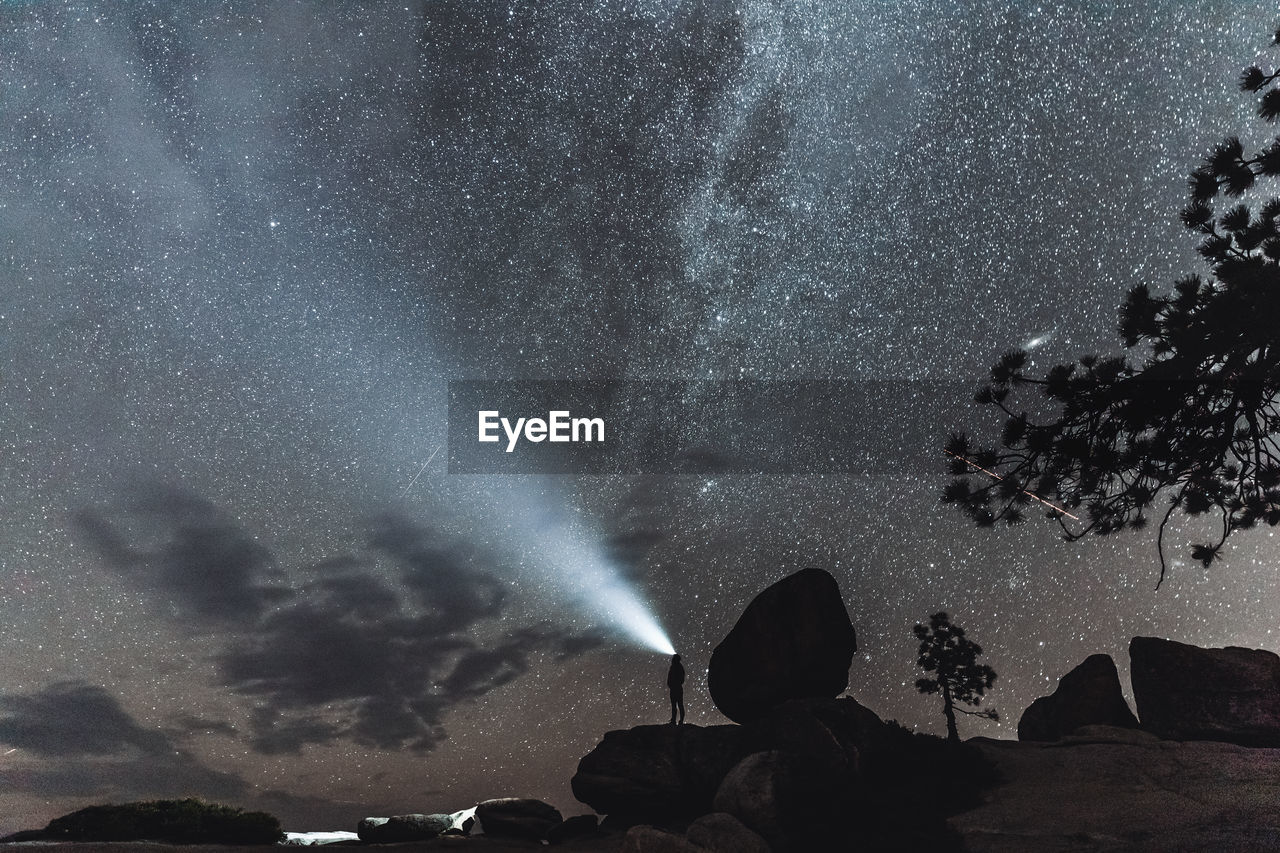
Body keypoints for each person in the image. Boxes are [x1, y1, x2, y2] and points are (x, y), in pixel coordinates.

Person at [667, 653, 685, 725]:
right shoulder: (674, 667)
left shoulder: (678, 667)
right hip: (674, 688)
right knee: (675, 705)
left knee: (679, 705)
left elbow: (681, 679)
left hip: (676, 688)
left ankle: (679, 721)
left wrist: (673, 684)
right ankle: (674, 720)